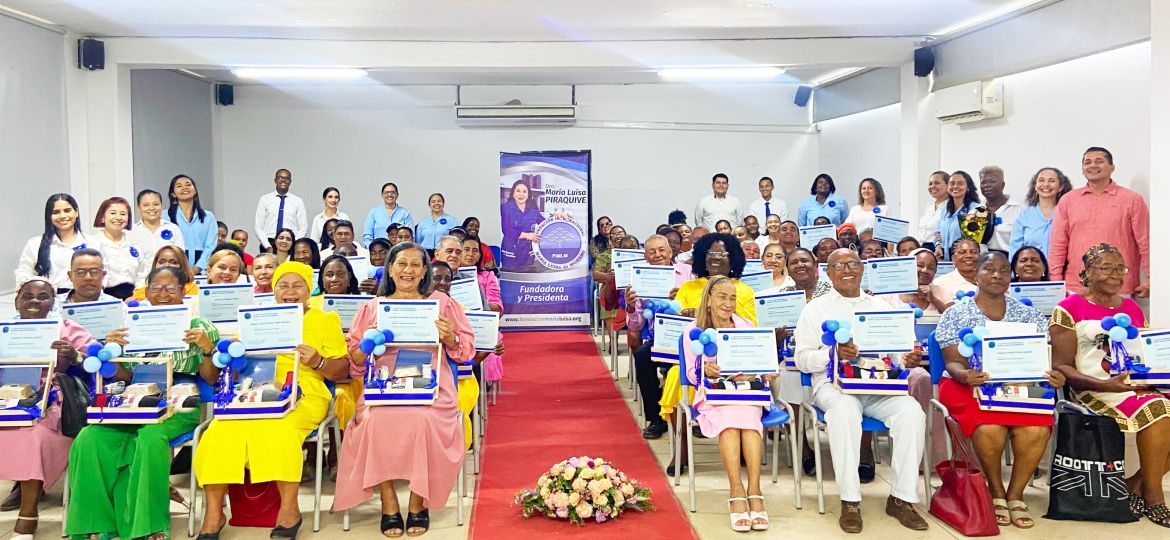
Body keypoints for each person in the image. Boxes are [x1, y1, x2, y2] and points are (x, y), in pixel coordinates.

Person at [193, 261, 348, 539]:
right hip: (254, 393)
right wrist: (218, 353)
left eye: (297, 285)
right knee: (216, 433)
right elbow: (229, 366)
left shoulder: (325, 320)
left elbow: (343, 369)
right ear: (273, 290)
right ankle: (214, 513)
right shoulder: (258, 317)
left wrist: (319, 361)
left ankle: (290, 510)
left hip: (306, 392)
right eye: (283, 285)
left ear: (309, 289)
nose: (290, 291)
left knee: (279, 430)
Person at [66, 266, 221, 540]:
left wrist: (207, 349)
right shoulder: (132, 325)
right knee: (90, 437)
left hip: (180, 400)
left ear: (184, 290)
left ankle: (147, 525)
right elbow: (124, 375)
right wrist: (111, 354)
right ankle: (99, 523)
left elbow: (211, 379)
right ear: (146, 290)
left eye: (171, 288)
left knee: (149, 438)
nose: (162, 294)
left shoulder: (199, 326)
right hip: (135, 397)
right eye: (156, 288)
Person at [334, 242, 475, 536]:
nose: (408, 270)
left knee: (424, 421)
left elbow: (466, 353)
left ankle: (417, 501)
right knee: (373, 422)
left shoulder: (444, 304)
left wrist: (450, 339)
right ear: (390, 269)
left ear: (425, 270)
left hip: (433, 385)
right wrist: (366, 344)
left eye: (415, 264)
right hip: (382, 385)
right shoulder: (372, 307)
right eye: (401, 264)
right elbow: (355, 364)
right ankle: (388, 502)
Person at [794, 248, 928, 533]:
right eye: (839, 265)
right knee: (844, 412)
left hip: (878, 386)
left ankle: (902, 499)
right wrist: (832, 354)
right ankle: (850, 499)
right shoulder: (815, 309)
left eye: (853, 264)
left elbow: (897, 355)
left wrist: (908, 358)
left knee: (912, 413)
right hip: (833, 387)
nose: (847, 270)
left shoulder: (881, 307)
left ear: (862, 269)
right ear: (828, 274)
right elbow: (801, 359)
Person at [935, 251, 1060, 529]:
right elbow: (953, 361)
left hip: (1018, 385)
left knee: (1037, 428)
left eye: (1004, 271)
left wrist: (1051, 375)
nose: (996, 275)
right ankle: (995, 491)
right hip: (967, 385)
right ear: (976, 274)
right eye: (989, 269)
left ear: (1010, 277)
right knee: (989, 426)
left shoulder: (1028, 315)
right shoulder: (956, 313)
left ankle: (1016, 494)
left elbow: (1041, 357)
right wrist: (965, 375)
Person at [1050, 243, 1169, 527]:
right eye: (1106, 268)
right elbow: (1062, 366)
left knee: (1158, 403)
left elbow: (1141, 350)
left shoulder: (1130, 307)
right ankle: (1155, 498)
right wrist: (1108, 387)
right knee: (1160, 409)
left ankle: (1133, 485)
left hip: (1135, 385)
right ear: (1087, 273)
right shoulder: (1067, 308)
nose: (1116, 275)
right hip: (1094, 389)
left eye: (1120, 268)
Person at [0, 278, 96, 539]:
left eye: (43, 296)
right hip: (5, 397)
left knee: (33, 436)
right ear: (17, 300)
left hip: (50, 402)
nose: (34, 301)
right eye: (27, 295)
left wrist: (74, 356)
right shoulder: (4, 328)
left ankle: (27, 515)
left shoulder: (66, 328)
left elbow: (97, 363)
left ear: (53, 303)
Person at [683, 276, 777, 531]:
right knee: (730, 423)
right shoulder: (694, 329)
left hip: (748, 392)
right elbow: (691, 375)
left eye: (732, 298)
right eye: (722, 297)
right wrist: (706, 369)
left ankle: (754, 489)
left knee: (747, 420)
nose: (728, 303)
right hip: (714, 395)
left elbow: (759, 362)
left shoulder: (745, 324)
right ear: (709, 299)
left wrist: (767, 370)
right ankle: (736, 490)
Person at [659, 233, 758, 473]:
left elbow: (751, 327)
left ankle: (743, 444)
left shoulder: (743, 290)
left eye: (722, 253)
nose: (716, 257)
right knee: (674, 376)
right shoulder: (688, 287)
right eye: (710, 253)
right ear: (702, 256)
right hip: (694, 357)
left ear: (732, 258)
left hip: (733, 359)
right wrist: (688, 317)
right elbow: (673, 322)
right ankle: (681, 450)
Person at [1049, 148, 1150, 297]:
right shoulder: (1068, 200)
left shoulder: (1132, 199)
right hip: (1076, 286)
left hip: (1119, 285)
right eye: (1087, 162)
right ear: (1083, 169)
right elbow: (1058, 243)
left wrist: (1151, 279)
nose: (1092, 166)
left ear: (1112, 167)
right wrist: (1056, 282)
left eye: (1099, 161)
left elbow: (1145, 242)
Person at [625, 235, 690, 438]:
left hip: (688, 336)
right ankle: (655, 419)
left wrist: (682, 299)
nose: (657, 255)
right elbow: (636, 324)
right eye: (651, 251)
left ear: (671, 252)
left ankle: (698, 416)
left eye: (662, 250)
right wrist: (629, 306)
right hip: (659, 338)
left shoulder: (688, 274)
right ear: (645, 256)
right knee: (643, 356)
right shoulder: (639, 278)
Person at [16, 194, 90, 291]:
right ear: (49, 216)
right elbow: (24, 273)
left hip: (84, 299)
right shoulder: (35, 244)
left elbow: (104, 274)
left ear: (76, 212)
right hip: (47, 299)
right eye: (56, 212)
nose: (62, 216)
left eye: (67, 211)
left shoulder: (92, 243)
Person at [1008, 167, 1072, 258]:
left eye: (1052, 181)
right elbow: (1015, 249)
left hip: (1062, 269)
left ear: (1060, 187)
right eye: (1041, 180)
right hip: (1031, 269)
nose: (1046, 184)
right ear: (1035, 186)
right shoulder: (1024, 215)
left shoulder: (1068, 213)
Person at [93, 196, 149, 298]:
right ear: (102, 217)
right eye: (113, 213)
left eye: (123, 214)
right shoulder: (93, 244)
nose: (118, 217)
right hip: (103, 298)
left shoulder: (134, 245)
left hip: (133, 298)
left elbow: (141, 276)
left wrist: (137, 297)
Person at [167, 175, 218, 274]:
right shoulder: (165, 216)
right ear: (173, 193)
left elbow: (210, 246)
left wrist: (197, 268)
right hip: (174, 269)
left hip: (202, 270)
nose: (184, 188)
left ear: (195, 191)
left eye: (188, 184)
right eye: (179, 186)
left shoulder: (208, 217)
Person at [254, 168, 308, 252]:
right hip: (269, 242)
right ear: (275, 180)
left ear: (290, 181)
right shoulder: (264, 199)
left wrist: (294, 243)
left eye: (286, 178)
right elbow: (258, 226)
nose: (283, 180)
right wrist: (267, 245)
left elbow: (303, 227)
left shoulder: (298, 201)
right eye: (280, 177)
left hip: (290, 243)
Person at [128, 189, 185, 267]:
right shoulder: (131, 232)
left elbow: (181, 259)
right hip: (140, 278)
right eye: (146, 205)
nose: (151, 208)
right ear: (138, 208)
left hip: (169, 276)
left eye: (156, 204)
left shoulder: (173, 229)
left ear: (162, 206)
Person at [498, 178, 545, 271]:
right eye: (518, 191)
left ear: (528, 194)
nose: (521, 194)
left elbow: (545, 224)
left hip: (528, 255)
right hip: (510, 254)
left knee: (528, 281)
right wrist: (527, 235)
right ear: (513, 193)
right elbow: (506, 230)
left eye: (524, 191)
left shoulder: (533, 210)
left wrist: (557, 216)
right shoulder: (505, 208)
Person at [936, 171, 983, 260]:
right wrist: (938, 245)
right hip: (945, 260)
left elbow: (974, 240)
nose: (955, 187)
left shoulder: (977, 209)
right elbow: (938, 233)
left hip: (966, 259)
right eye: (952, 183)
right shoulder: (945, 209)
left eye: (960, 184)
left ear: (968, 187)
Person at [978, 166, 1024, 253]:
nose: (987, 185)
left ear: (1003, 185)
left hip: (1010, 261)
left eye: (992, 181)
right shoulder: (976, 211)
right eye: (983, 182)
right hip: (984, 262)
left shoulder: (1018, 210)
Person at [933, 238, 980, 310]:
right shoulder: (940, 283)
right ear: (953, 259)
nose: (969, 256)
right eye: (962, 252)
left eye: (973, 252)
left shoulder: (990, 280)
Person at [917, 171, 950, 245]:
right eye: (930, 183)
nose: (932, 186)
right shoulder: (929, 205)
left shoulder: (951, 206)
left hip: (938, 248)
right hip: (922, 246)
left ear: (948, 185)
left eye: (937, 183)